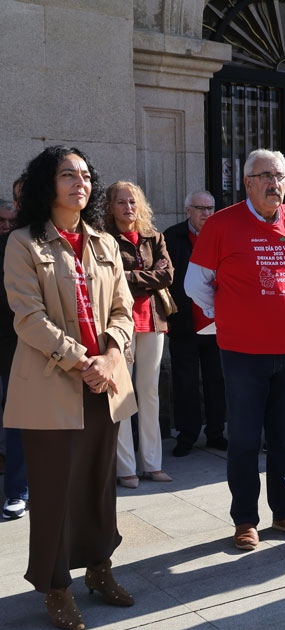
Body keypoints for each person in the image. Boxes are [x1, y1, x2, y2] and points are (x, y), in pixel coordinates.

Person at [6, 146, 138, 630]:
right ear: (48, 184)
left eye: (85, 175)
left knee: (99, 485)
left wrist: (109, 355)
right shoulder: (24, 242)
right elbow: (28, 317)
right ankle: (56, 586)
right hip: (51, 385)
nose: (79, 182)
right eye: (67, 174)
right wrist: (83, 360)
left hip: (104, 384)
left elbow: (123, 310)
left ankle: (99, 569)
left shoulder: (104, 242)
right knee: (53, 492)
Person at [185, 148, 285, 551]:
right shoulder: (222, 224)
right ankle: (245, 518)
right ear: (247, 182)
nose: (274, 183)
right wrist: (225, 315)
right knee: (244, 439)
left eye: (279, 175)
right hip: (242, 352)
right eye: (265, 176)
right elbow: (195, 284)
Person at [104, 181, 173, 487]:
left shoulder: (153, 236)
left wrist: (130, 276)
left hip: (153, 322)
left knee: (150, 393)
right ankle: (125, 467)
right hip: (120, 323)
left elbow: (167, 274)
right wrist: (146, 277)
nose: (128, 207)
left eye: (132, 202)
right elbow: (110, 278)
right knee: (121, 395)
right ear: (110, 206)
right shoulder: (104, 240)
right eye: (121, 202)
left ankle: (152, 463)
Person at [164, 191, 227, 457]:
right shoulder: (171, 236)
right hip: (185, 323)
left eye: (210, 208)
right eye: (199, 208)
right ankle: (187, 435)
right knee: (185, 382)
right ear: (187, 209)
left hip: (218, 324)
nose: (205, 213)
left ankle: (215, 433)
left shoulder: (222, 235)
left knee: (217, 381)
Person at [0, 199, 27, 519]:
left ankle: (17, 491)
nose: (5, 225)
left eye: (11, 220)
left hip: (17, 348)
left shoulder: (19, 248)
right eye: (1, 220)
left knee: (18, 423)